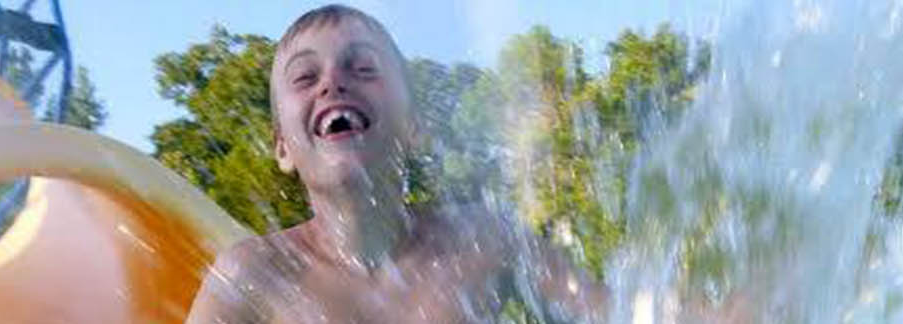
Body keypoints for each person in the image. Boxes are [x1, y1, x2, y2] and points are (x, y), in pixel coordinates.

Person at [185, 5, 606, 323]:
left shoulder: (482, 241)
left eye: (363, 67)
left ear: (413, 126)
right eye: (305, 77)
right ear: (283, 148)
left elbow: (616, 310)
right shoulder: (255, 275)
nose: (333, 81)